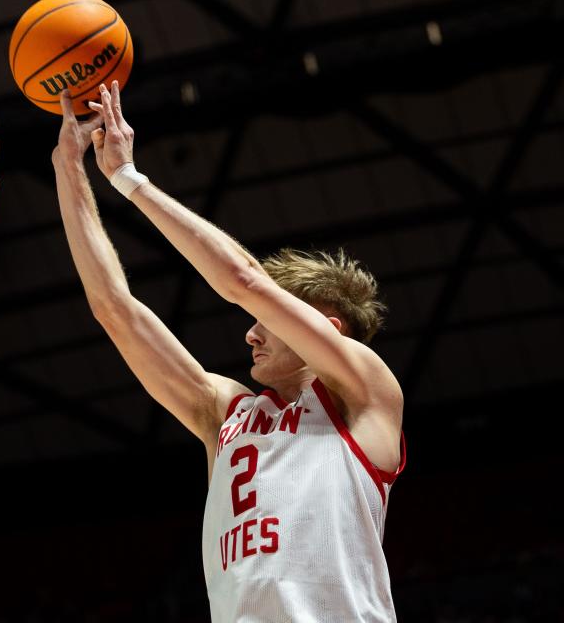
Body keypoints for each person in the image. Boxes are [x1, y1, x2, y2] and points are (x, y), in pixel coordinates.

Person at [52, 83, 405, 621]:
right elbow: (115, 310)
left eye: (267, 322)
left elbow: (243, 279)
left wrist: (127, 179)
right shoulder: (228, 413)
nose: (250, 334)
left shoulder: (365, 394)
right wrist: (67, 168)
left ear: (326, 328)